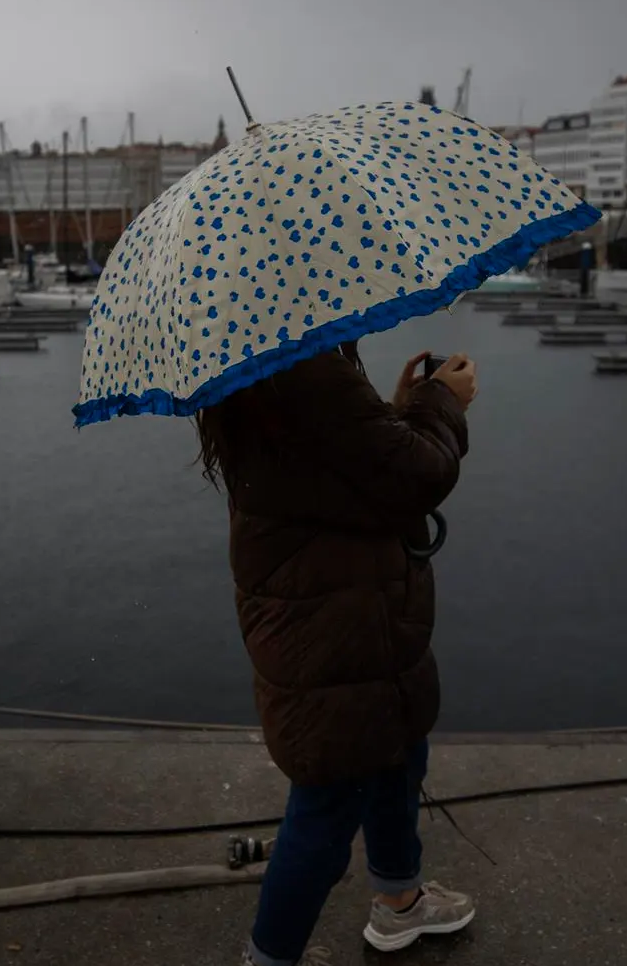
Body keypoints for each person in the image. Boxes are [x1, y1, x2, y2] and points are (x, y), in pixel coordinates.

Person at [195, 343, 480, 966]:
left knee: (396, 753)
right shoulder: (303, 364)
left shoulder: (256, 360)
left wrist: (397, 410)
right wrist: (441, 403)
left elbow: (345, 463)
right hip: (336, 628)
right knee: (326, 807)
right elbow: (416, 475)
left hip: (341, 616)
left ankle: (400, 903)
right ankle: (269, 959)